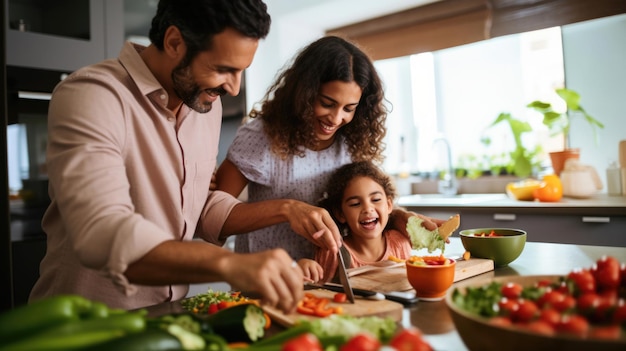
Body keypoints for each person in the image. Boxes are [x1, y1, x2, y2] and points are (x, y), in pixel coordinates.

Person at [28, 0, 343, 314]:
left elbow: (199, 205)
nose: (233, 89)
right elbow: (102, 230)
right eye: (223, 69)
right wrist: (230, 264)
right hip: (84, 322)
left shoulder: (205, 105)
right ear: (174, 42)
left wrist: (288, 209)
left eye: (241, 71)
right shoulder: (93, 95)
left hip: (167, 314)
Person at [215, 35, 443, 269]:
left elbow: (362, 206)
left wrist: (399, 217)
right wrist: (287, 209)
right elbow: (214, 219)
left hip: (331, 278)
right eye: (327, 103)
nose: (335, 118)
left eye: (348, 108)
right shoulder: (262, 136)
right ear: (304, 93)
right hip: (266, 277)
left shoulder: (352, 142)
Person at [299, 161, 413, 282]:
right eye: (355, 204)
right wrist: (304, 270)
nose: (367, 209)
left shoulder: (400, 243)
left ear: (389, 205)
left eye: (376, 199)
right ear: (340, 213)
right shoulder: (332, 252)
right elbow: (318, 291)